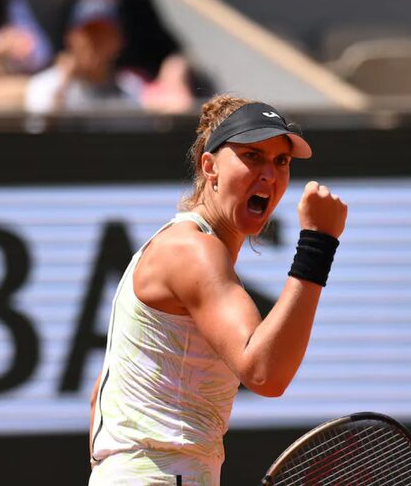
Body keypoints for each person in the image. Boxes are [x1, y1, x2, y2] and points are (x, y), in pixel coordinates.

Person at [87, 95, 347, 484]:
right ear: (210, 167)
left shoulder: (179, 245)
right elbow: (265, 373)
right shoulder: (194, 251)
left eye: (281, 161)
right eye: (252, 156)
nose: (270, 175)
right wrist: (318, 243)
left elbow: (99, 397)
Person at [25, 0, 192, 114]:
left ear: (118, 42)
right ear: (71, 38)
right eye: (88, 34)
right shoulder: (45, 85)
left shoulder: (131, 88)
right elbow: (44, 135)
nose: (94, 44)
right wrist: (64, 82)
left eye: (103, 35)